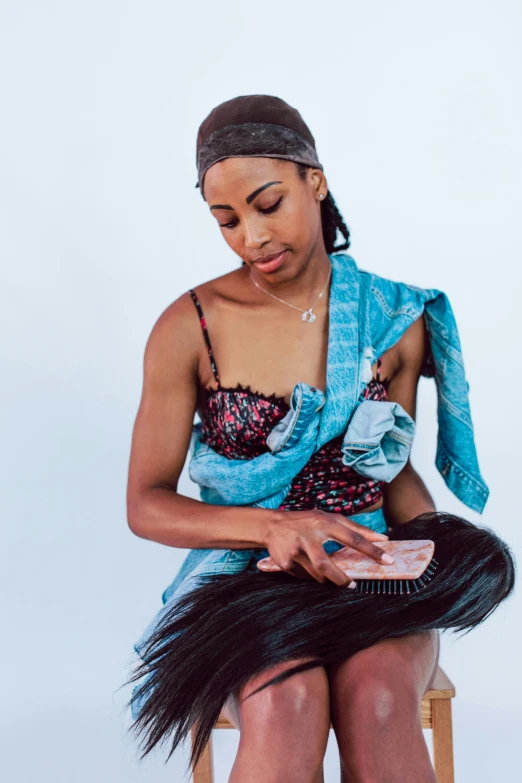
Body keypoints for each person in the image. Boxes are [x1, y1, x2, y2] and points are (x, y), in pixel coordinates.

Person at [125, 95, 505, 783]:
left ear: (315, 181)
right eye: (227, 221)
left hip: (367, 574)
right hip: (248, 579)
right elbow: (146, 504)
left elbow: (388, 469)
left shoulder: (392, 315)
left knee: (381, 699)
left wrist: (424, 545)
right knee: (287, 702)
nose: (251, 237)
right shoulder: (189, 327)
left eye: (267, 203)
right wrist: (273, 526)